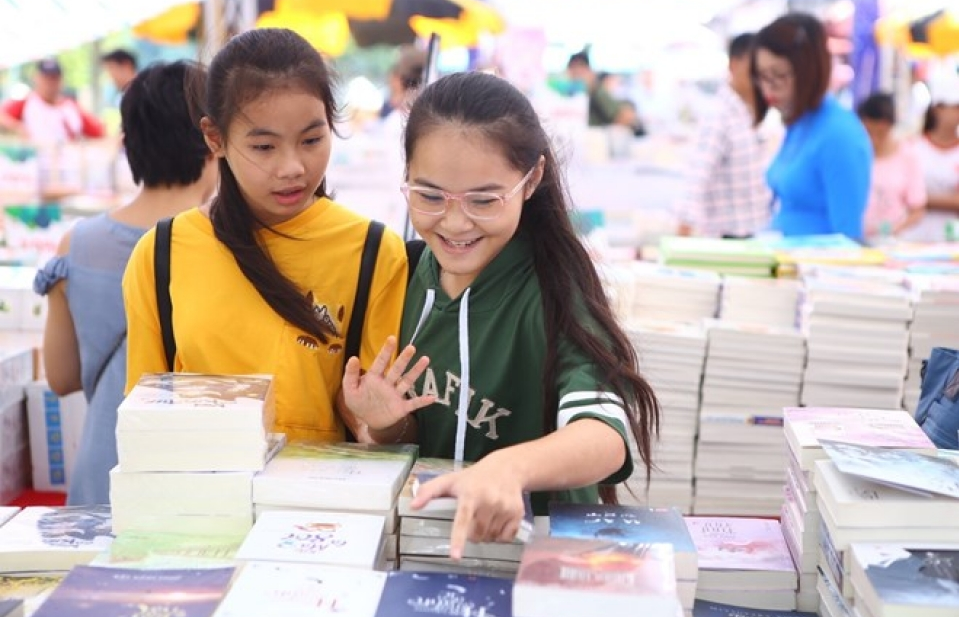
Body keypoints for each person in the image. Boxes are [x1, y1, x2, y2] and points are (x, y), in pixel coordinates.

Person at [342, 71, 661, 559]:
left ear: (530, 180)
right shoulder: (399, 275)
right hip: (427, 555)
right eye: (429, 196)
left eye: (484, 200)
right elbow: (416, 438)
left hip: (541, 559)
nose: (454, 221)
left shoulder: (556, 287)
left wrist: (508, 468)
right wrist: (386, 426)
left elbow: (605, 434)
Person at [122, 28, 408, 444]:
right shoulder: (160, 254)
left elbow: (380, 424)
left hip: (320, 506)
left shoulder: (372, 251)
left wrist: (385, 424)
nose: (292, 167)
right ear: (214, 138)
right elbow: (143, 418)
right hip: (199, 502)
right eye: (264, 147)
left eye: (311, 139)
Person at [33, 61, 219, 506]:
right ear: (214, 141)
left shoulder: (75, 246)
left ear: (129, 143)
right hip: (202, 482)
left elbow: (60, 377)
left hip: (104, 473)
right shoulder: (225, 247)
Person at [753, 13, 872, 241]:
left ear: (808, 71)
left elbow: (848, 237)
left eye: (778, 75)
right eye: (762, 76)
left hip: (811, 269)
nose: (768, 89)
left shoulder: (840, 134)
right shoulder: (798, 124)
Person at [676, 32, 772, 238]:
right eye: (752, 66)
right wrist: (684, 227)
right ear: (734, 65)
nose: (760, 75)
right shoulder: (719, 115)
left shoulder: (750, 114)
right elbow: (698, 174)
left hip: (756, 235)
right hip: (728, 238)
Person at [856, 92, 926, 239]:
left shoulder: (908, 155)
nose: (874, 137)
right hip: (858, 238)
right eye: (869, 130)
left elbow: (918, 208)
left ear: (889, 125)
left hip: (893, 242)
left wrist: (896, 229)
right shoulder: (856, 154)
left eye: (880, 131)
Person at [908, 69, 959, 242]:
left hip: (951, 242)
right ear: (937, 109)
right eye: (955, 107)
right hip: (911, 239)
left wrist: (920, 199)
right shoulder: (912, 148)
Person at [0, 58, 105, 142]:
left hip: (66, 164)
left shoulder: (71, 107)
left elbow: (98, 132)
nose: (50, 83)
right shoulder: (27, 103)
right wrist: (17, 127)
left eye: (54, 78)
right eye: (46, 78)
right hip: (35, 164)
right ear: (36, 78)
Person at [566, 51, 620, 127]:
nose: (577, 71)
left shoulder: (597, 91)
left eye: (581, 67)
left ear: (589, 71)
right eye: (572, 67)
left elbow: (618, 115)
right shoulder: (564, 94)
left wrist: (593, 89)